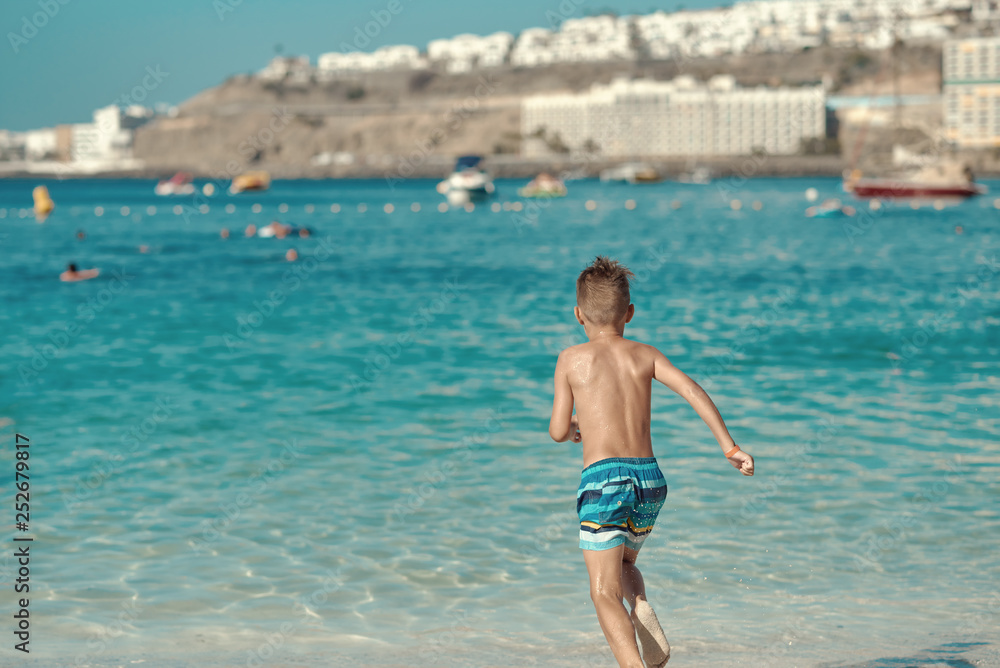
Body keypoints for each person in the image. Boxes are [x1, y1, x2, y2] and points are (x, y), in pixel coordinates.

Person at [549, 256, 754, 668]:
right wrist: (729, 447)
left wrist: (575, 426)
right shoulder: (645, 354)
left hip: (603, 481)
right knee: (624, 564)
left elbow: (557, 431)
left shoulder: (571, 359)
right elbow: (692, 390)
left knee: (603, 592)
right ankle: (640, 605)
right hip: (649, 482)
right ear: (629, 313)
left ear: (578, 315)